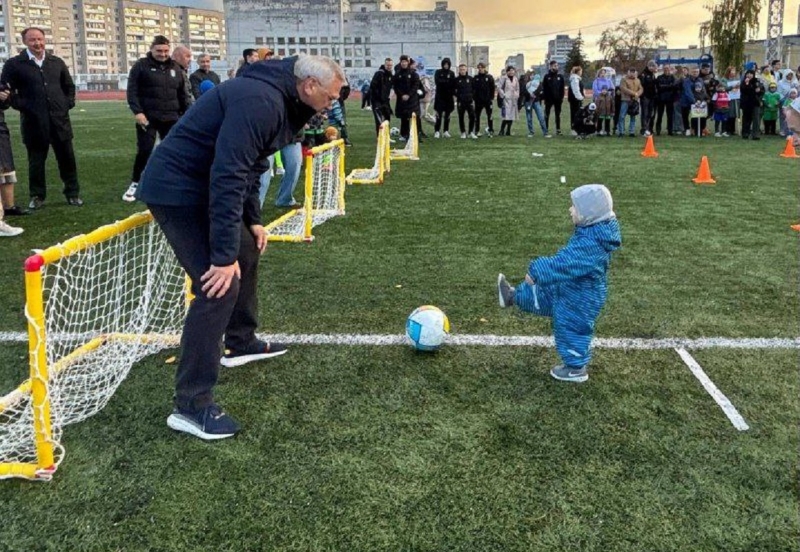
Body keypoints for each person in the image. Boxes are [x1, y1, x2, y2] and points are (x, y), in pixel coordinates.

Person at [135, 54, 344, 440]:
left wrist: (253, 220)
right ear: (309, 86)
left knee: (247, 248)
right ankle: (191, 405)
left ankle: (240, 342)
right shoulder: (260, 100)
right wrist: (221, 258)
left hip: (204, 185)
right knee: (218, 285)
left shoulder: (284, 99)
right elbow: (228, 173)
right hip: (177, 190)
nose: (332, 104)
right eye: (330, 97)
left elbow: (253, 163)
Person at [496, 184, 621, 383]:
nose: (570, 210)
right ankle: (512, 296)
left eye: (575, 207)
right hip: (571, 288)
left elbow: (565, 263)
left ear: (588, 215)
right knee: (545, 296)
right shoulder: (592, 232)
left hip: (581, 298)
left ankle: (576, 368)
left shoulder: (592, 244)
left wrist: (538, 270)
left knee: (570, 326)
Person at [0, 27, 83, 209]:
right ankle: (37, 196)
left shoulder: (56, 62)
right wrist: (21, 104)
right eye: (32, 40)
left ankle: (72, 193)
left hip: (60, 122)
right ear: (24, 42)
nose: (37, 43)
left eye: (40, 39)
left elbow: (69, 87)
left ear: (44, 40)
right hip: (33, 123)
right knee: (36, 163)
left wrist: (66, 104)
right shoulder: (14, 64)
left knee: (67, 160)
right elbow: (4, 89)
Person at [123, 35, 190, 202]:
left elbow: (182, 95)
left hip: (172, 117)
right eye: (159, 51)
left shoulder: (175, 68)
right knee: (145, 151)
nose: (163, 54)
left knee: (173, 152)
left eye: (166, 51)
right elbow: (132, 91)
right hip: (148, 118)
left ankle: (170, 183)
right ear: (152, 49)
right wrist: (138, 112)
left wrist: (186, 114)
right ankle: (135, 183)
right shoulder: (141, 66)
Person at [392, 55, 421, 142]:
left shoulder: (413, 74)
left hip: (412, 100)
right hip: (402, 100)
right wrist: (401, 95)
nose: (404, 63)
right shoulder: (397, 74)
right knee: (404, 117)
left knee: (414, 117)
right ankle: (404, 134)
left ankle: (415, 135)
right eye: (402, 62)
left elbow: (416, 86)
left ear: (408, 63)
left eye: (405, 62)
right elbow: (395, 86)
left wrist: (408, 95)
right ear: (400, 63)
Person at [369, 58, 393, 135]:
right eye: (388, 65)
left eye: (390, 65)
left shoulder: (390, 75)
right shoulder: (379, 74)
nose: (389, 67)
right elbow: (372, 86)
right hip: (377, 101)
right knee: (379, 120)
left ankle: (387, 136)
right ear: (385, 65)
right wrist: (376, 98)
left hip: (385, 101)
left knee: (387, 118)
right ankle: (379, 137)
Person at [433, 57, 456, 138]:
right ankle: (437, 131)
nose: (446, 66)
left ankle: (446, 131)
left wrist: (445, 82)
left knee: (447, 115)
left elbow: (453, 84)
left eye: (447, 64)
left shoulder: (452, 73)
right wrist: (446, 82)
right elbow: (438, 82)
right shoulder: (438, 72)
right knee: (438, 115)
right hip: (440, 97)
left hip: (448, 97)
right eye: (444, 64)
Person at [541, 61, 565, 135]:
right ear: (551, 66)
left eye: (557, 65)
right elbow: (544, 88)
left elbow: (562, 88)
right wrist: (545, 98)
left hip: (558, 99)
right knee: (547, 114)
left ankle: (558, 130)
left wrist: (561, 98)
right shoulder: (546, 77)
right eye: (555, 66)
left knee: (558, 115)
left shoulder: (560, 77)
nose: (556, 67)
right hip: (549, 99)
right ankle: (546, 129)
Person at [617, 67, 642, 137]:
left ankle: (632, 132)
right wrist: (634, 93)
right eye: (631, 72)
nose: (632, 74)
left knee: (633, 116)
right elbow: (624, 89)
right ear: (628, 72)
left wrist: (638, 94)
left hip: (634, 101)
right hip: (625, 100)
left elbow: (641, 88)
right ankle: (621, 132)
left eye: (633, 72)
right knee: (622, 116)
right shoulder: (623, 79)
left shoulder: (638, 80)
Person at [472, 62, 495, 137]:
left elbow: (492, 88)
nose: (480, 69)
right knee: (477, 116)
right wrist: (474, 98)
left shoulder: (489, 77)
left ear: (484, 68)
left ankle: (490, 130)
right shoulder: (475, 78)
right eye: (479, 68)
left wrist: (491, 98)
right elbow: (473, 89)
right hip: (478, 101)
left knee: (490, 115)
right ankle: (477, 131)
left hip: (487, 101)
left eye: (481, 67)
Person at [740, 69, 764, 140]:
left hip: (755, 102)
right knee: (746, 118)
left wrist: (759, 91)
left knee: (756, 119)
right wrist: (747, 84)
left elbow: (762, 91)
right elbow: (744, 90)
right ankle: (745, 133)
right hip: (746, 103)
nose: (749, 75)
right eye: (748, 74)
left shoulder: (757, 82)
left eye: (751, 74)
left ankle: (755, 134)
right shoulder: (744, 82)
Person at [454, 64, 477, 139]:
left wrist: (471, 96)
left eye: (463, 69)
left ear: (466, 70)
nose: (462, 71)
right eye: (461, 70)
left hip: (469, 101)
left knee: (472, 116)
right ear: (459, 70)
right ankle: (463, 132)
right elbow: (453, 90)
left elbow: (474, 89)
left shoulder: (470, 79)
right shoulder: (456, 80)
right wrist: (459, 96)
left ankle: (470, 132)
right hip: (460, 102)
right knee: (461, 117)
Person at [496, 66, 519, 136]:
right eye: (510, 70)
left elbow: (517, 88)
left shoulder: (515, 79)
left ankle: (508, 131)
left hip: (513, 99)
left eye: (513, 70)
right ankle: (501, 130)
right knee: (506, 116)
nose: (511, 72)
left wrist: (517, 95)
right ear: (507, 71)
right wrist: (504, 95)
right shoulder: (504, 78)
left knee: (512, 116)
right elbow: (499, 87)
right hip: (506, 99)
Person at [654, 64, 676, 135]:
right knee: (659, 115)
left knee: (670, 116)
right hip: (661, 99)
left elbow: (674, 86)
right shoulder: (659, 77)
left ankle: (670, 131)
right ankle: (658, 130)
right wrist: (669, 86)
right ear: (663, 69)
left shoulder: (672, 77)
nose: (666, 70)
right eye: (665, 68)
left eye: (667, 68)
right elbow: (659, 87)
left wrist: (664, 86)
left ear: (670, 69)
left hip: (670, 99)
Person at [567, 66, 585, 135]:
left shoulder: (577, 79)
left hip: (576, 99)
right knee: (575, 114)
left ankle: (577, 129)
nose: (581, 72)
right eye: (581, 71)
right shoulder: (575, 79)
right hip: (575, 100)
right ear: (578, 72)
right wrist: (580, 98)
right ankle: (575, 129)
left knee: (577, 114)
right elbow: (576, 90)